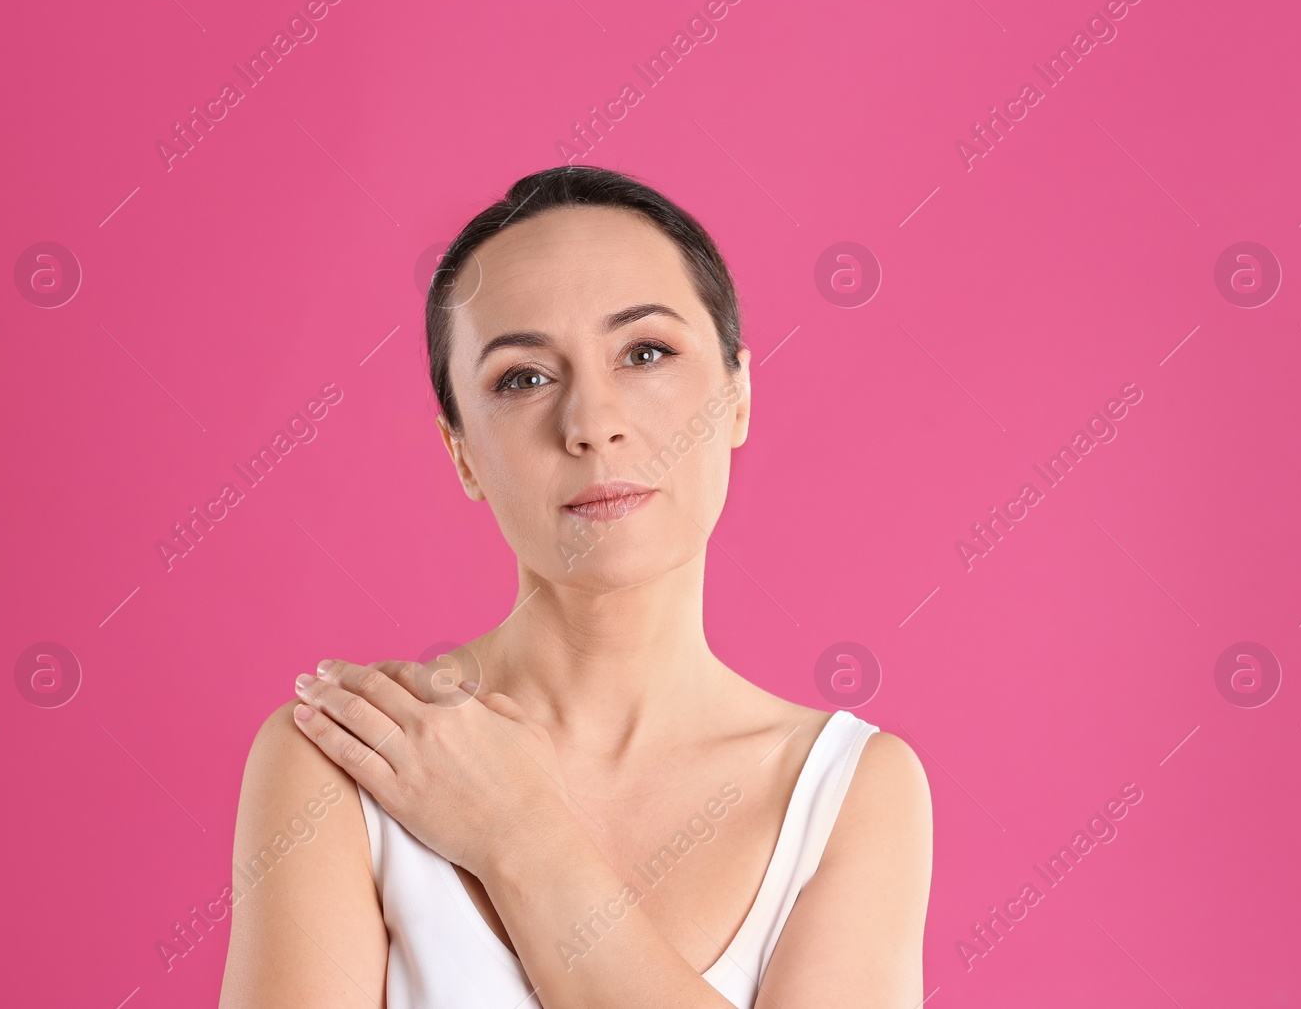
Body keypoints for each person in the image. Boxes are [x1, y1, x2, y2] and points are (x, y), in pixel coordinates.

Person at [218, 165, 932, 1009]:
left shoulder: (848, 787)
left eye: (646, 352)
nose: (592, 423)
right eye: (523, 377)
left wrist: (522, 834)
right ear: (462, 454)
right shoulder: (350, 760)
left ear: (737, 393)